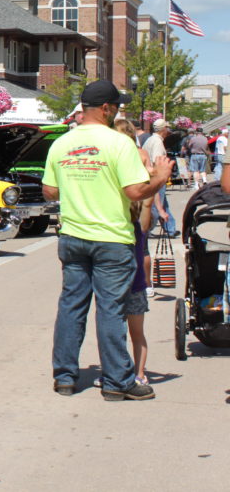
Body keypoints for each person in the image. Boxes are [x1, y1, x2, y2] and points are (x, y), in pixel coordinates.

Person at [43, 80, 172, 401]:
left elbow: (50, 191)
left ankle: (65, 376)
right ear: (104, 108)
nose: (118, 111)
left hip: (73, 235)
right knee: (111, 309)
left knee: (71, 305)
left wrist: (78, 185)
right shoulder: (118, 144)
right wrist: (160, 178)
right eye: (115, 106)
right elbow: (135, 192)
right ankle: (117, 380)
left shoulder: (62, 143)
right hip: (111, 237)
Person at [114, 119, 151, 383]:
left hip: (126, 270)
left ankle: (132, 372)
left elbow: (144, 224)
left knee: (125, 328)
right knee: (123, 329)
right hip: (126, 269)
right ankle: (131, 372)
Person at [143, 119, 176, 238]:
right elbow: (157, 160)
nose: (168, 130)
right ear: (163, 129)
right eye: (167, 128)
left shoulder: (151, 140)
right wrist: (161, 175)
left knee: (163, 204)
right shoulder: (157, 142)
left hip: (152, 175)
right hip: (156, 176)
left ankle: (170, 228)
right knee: (157, 204)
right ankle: (147, 229)